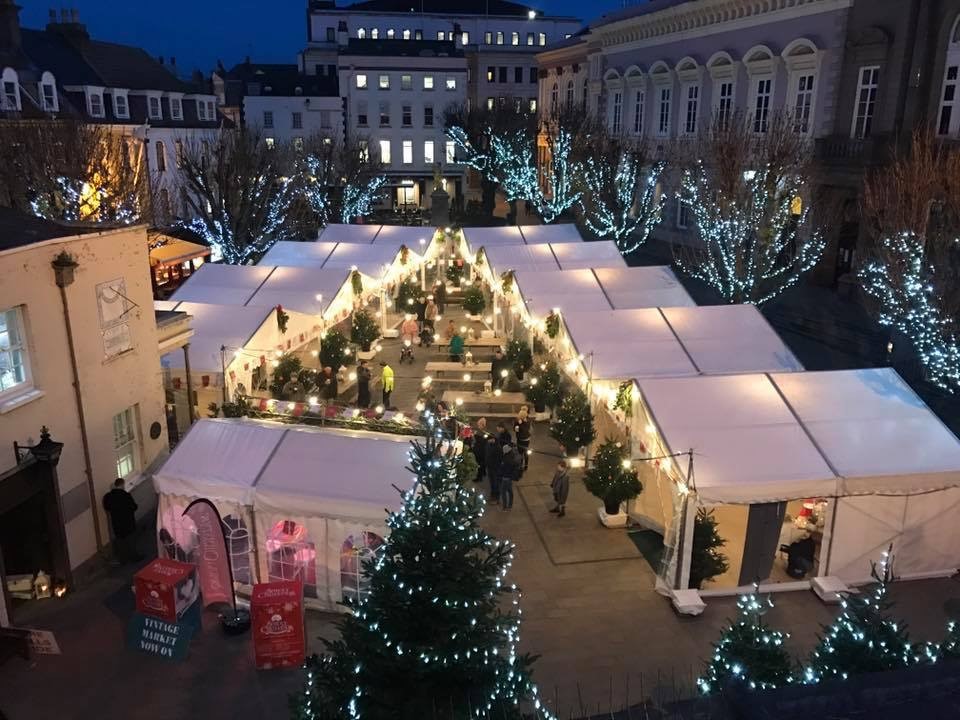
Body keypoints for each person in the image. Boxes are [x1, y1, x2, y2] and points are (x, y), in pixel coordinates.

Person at [102, 478, 142, 563]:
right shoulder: (126, 495)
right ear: (122, 484)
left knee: (120, 541)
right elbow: (134, 507)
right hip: (128, 522)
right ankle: (134, 557)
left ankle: (123, 559)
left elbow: (106, 507)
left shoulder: (108, 497)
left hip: (116, 523)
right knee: (131, 541)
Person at [499, 444, 520, 510]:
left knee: (503, 492)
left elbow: (503, 469)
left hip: (506, 478)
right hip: (509, 478)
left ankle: (505, 507)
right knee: (510, 491)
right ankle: (510, 505)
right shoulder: (511, 455)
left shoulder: (506, 459)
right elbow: (516, 464)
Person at [485, 433, 502, 504]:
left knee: (496, 483)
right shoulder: (489, 445)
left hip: (495, 468)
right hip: (489, 467)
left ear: (493, 439)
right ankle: (492, 496)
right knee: (492, 483)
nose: (488, 441)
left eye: (489, 440)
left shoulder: (498, 448)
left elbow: (499, 459)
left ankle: (496, 498)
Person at [514, 405, 532, 474]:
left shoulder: (527, 422)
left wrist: (521, 424)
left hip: (525, 439)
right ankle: (520, 465)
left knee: (525, 452)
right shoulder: (518, 420)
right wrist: (516, 428)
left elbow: (525, 430)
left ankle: (526, 465)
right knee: (520, 452)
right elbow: (515, 428)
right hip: (519, 438)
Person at [473, 417, 489, 483]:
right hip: (482, 449)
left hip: (480, 450)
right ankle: (483, 472)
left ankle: (479, 477)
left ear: (482, 425)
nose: (478, 426)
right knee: (482, 463)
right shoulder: (482, 431)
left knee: (479, 463)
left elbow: (481, 441)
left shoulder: (483, 432)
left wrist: (475, 435)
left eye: (479, 425)